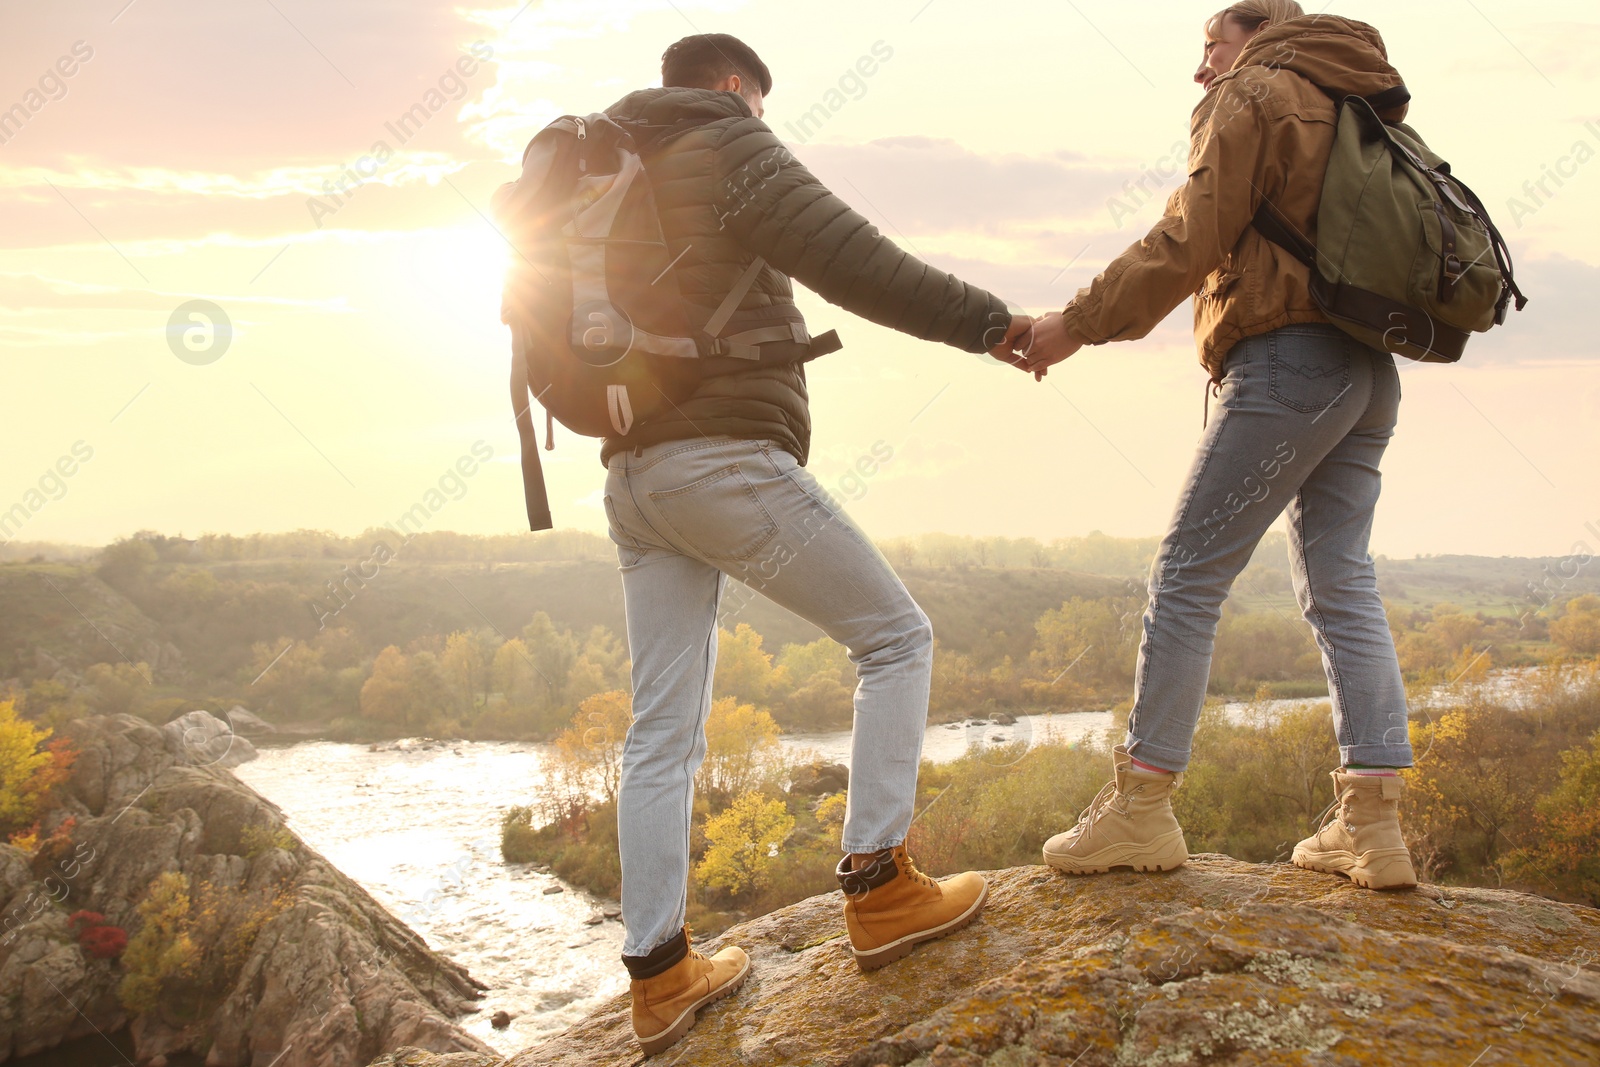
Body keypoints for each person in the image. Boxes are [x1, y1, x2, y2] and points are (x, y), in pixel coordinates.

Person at [598, 33, 1032, 1055]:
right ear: (736, 87)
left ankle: (659, 976)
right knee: (895, 638)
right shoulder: (727, 146)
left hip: (630, 476)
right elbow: (858, 262)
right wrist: (992, 324)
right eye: (758, 98)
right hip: (720, 458)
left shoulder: (600, 173)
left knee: (661, 729)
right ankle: (880, 889)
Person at [1013, 2, 1420, 891]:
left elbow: (1188, 233)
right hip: (1367, 371)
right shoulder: (1363, 104)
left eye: (1212, 47)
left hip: (1286, 361)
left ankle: (1142, 806)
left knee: (1185, 574)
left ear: (1258, 34)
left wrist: (1072, 325)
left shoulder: (1258, 89)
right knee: (1342, 581)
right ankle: (1374, 825)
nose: (1203, 69)